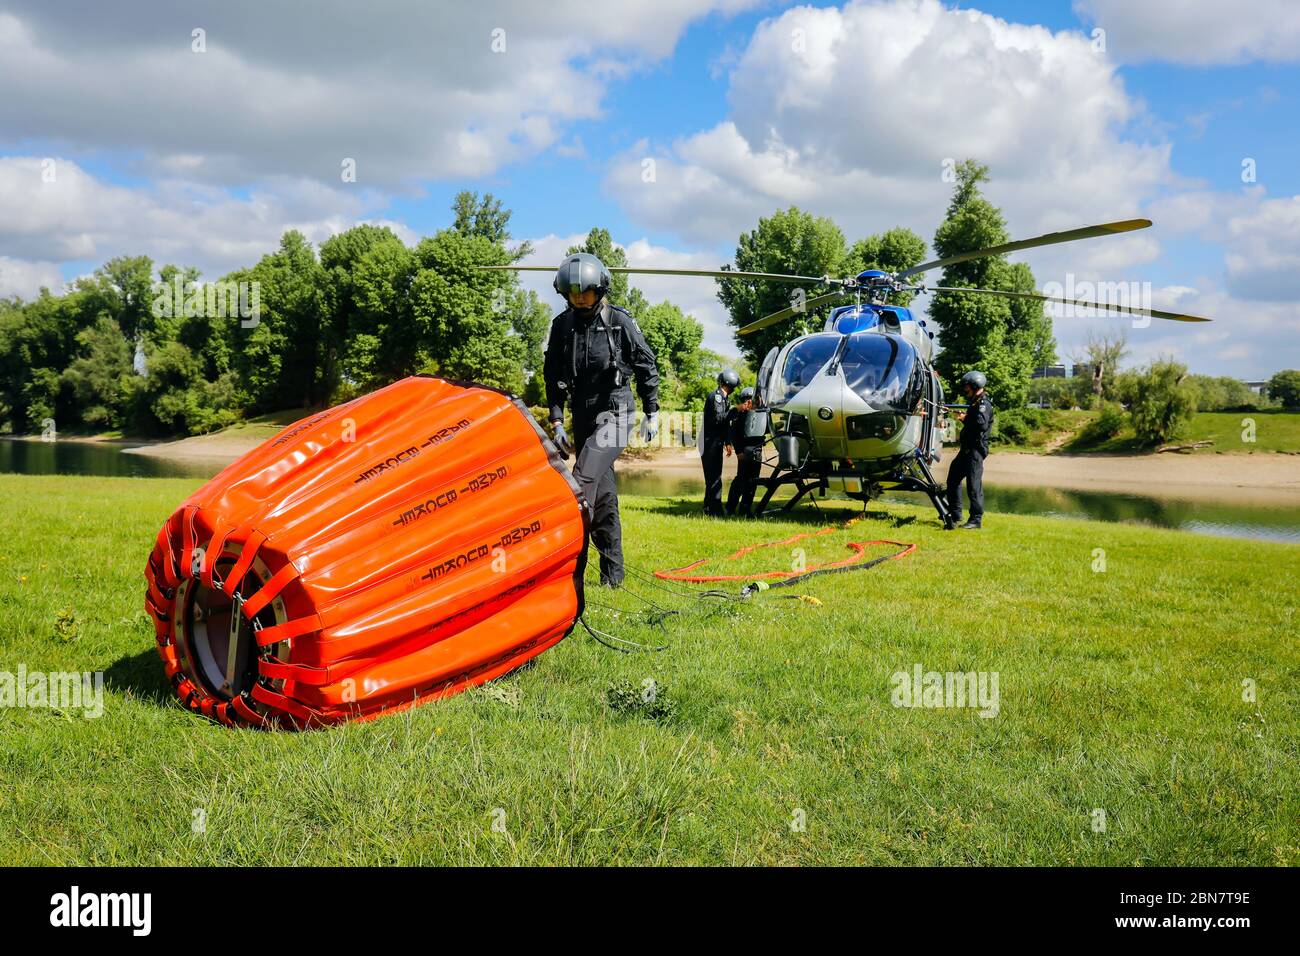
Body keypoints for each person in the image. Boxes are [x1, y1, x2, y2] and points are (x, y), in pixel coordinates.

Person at [542, 253, 660, 586]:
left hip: (617, 414)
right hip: (582, 416)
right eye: (573, 292)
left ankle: (565, 569)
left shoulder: (619, 321)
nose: (579, 297)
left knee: (581, 482)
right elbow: (552, 377)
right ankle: (612, 577)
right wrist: (557, 421)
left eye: (586, 291)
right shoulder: (561, 326)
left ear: (600, 288)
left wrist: (652, 411)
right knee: (604, 500)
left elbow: (646, 365)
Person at [946, 370, 994, 530]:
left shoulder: (983, 404)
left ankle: (976, 519)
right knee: (952, 480)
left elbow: (981, 424)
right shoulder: (975, 402)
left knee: (974, 486)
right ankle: (955, 514)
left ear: (974, 385)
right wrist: (966, 416)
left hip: (975, 451)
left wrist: (965, 418)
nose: (965, 390)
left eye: (967, 387)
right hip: (966, 449)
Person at [701, 369, 738, 516]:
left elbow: (724, 424)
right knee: (714, 478)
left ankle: (708, 508)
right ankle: (715, 511)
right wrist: (736, 410)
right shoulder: (716, 397)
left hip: (714, 442)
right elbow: (718, 419)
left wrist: (728, 442)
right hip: (709, 443)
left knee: (713, 477)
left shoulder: (724, 398)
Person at [725, 387, 764, 518]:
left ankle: (745, 509)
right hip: (745, 450)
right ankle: (730, 507)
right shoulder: (738, 413)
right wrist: (739, 451)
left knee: (753, 480)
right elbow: (734, 434)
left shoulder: (760, 413)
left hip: (757, 450)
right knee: (741, 479)